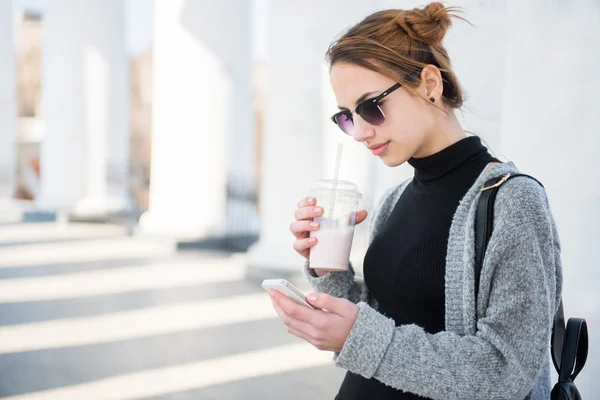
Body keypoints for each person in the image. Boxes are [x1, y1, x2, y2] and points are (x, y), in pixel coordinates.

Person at [268, 3, 562, 399]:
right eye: (346, 116)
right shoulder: (395, 198)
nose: (358, 132)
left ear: (428, 83)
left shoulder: (512, 200)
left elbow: (506, 371)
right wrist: (329, 267)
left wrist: (358, 337)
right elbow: (378, 319)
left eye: (371, 107)